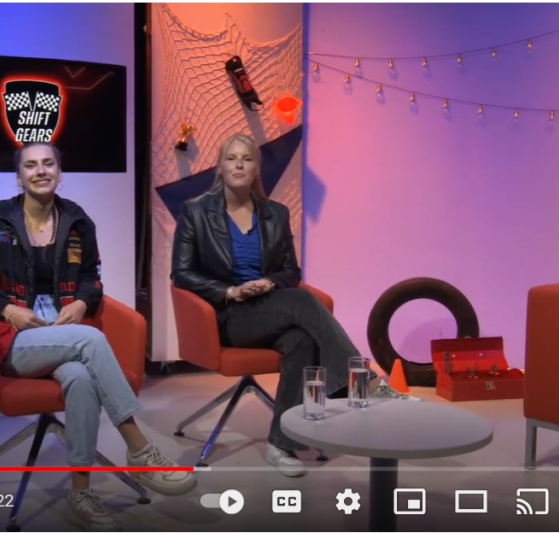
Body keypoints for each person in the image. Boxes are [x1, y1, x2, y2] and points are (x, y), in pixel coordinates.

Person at [0, 142, 196, 530]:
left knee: (81, 378)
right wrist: (7, 309)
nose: (40, 171)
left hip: (63, 324)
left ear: (60, 171)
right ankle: (139, 448)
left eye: (48, 163)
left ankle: (80, 491)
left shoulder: (79, 221)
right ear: (19, 177)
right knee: (90, 340)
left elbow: (91, 276)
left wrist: (81, 303)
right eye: (30, 166)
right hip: (14, 335)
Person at [170, 133, 411, 478]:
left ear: (256, 169)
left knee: (300, 338)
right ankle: (363, 382)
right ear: (220, 167)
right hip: (226, 315)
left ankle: (280, 443)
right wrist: (231, 292)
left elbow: (290, 271)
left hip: (270, 306)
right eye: (231, 158)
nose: (239, 165)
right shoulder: (196, 212)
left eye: (247, 159)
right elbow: (182, 273)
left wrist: (269, 283)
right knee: (301, 301)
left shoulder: (275, 214)